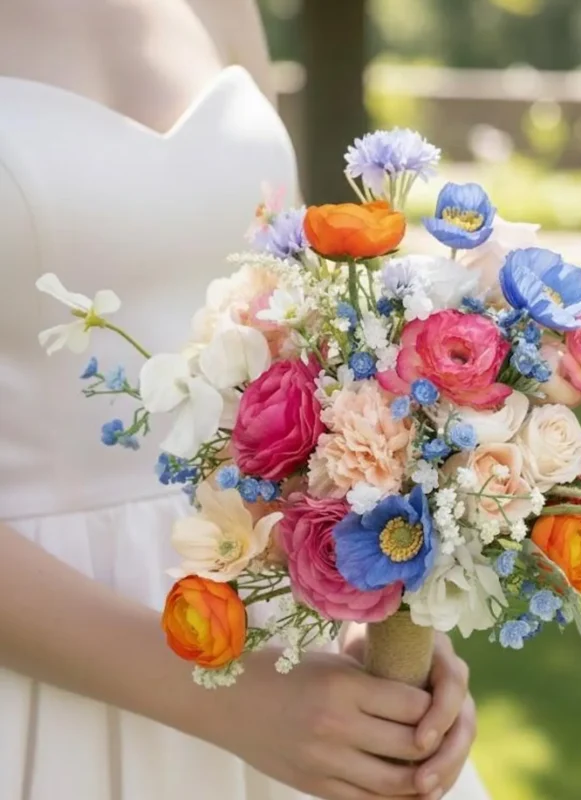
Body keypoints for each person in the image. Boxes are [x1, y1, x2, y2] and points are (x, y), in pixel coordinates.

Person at [0, 2, 488, 799]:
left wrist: (376, 607)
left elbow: (277, 328)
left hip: (286, 646)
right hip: (42, 676)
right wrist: (232, 698)